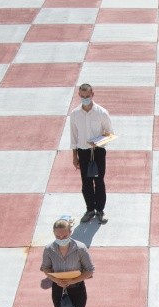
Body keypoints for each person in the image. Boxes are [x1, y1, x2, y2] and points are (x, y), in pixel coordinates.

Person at [40, 218, 94, 307]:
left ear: (70, 232)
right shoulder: (49, 249)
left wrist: (73, 281)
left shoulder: (80, 248)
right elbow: (45, 267)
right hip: (59, 290)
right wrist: (55, 280)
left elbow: (89, 271)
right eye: (58, 236)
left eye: (64, 236)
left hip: (77, 290)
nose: (61, 239)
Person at [69, 83, 113, 225]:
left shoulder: (102, 112)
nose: (85, 99)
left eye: (87, 96)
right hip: (83, 152)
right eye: (82, 96)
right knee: (86, 183)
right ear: (79, 96)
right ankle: (89, 210)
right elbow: (74, 136)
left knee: (99, 181)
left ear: (92, 94)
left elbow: (109, 133)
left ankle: (100, 210)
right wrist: (74, 156)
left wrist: (98, 141)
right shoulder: (75, 114)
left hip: (98, 151)